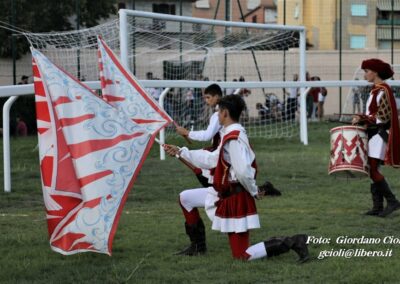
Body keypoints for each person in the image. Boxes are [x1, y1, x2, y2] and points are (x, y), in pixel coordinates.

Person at [164, 95, 308, 262]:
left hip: (236, 198)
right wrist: (181, 152)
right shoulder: (230, 134)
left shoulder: (233, 137)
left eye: (218, 112)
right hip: (225, 193)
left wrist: (254, 191)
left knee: (241, 256)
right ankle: (197, 247)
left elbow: (243, 171)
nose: (217, 115)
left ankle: (293, 241)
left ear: (225, 113)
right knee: (185, 198)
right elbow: (213, 159)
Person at [352, 58, 400, 217]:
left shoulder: (383, 90)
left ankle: (392, 201)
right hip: (373, 133)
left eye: (366, 71)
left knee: (372, 170)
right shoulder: (376, 90)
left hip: (380, 134)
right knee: (372, 169)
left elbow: (383, 117)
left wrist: (364, 119)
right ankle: (377, 207)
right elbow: (372, 114)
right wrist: (361, 117)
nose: (365, 75)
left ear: (375, 72)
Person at [176, 84, 223, 187]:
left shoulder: (219, 114)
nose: (206, 101)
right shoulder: (223, 112)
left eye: (208, 97)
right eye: (205, 98)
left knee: (194, 162)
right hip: (224, 150)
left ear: (216, 97)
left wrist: (187, 132)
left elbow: (207, 135)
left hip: (222, 153)